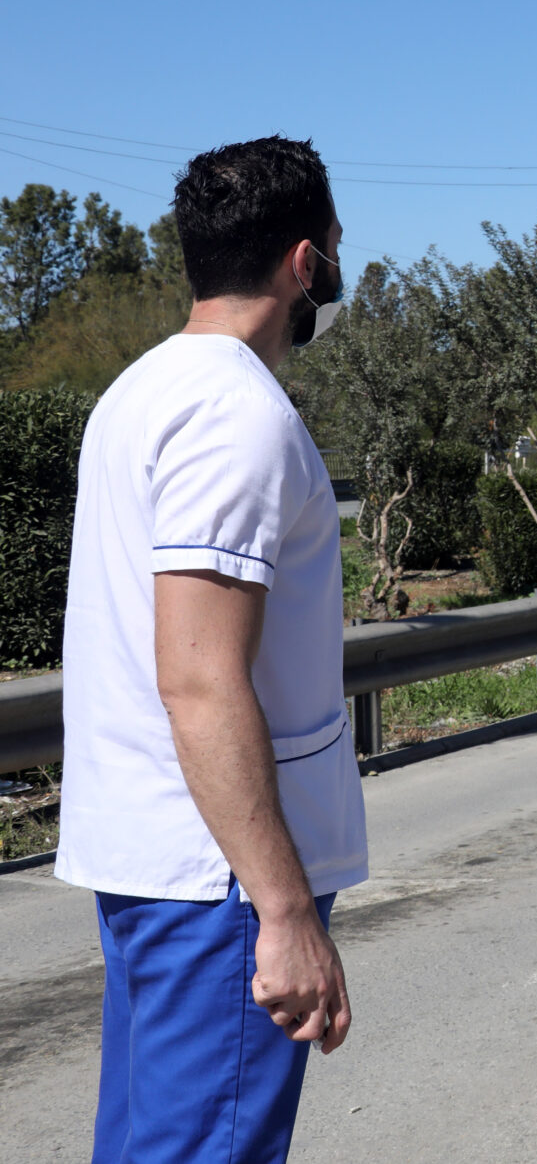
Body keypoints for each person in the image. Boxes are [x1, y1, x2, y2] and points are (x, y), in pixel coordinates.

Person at [56, 136, 367, 1164]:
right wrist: (283, 908)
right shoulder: (237, 414)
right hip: (218, 880)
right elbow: (199, 678)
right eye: (332, 248)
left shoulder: (138, 392)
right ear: (303, 263)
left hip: (159, 862)